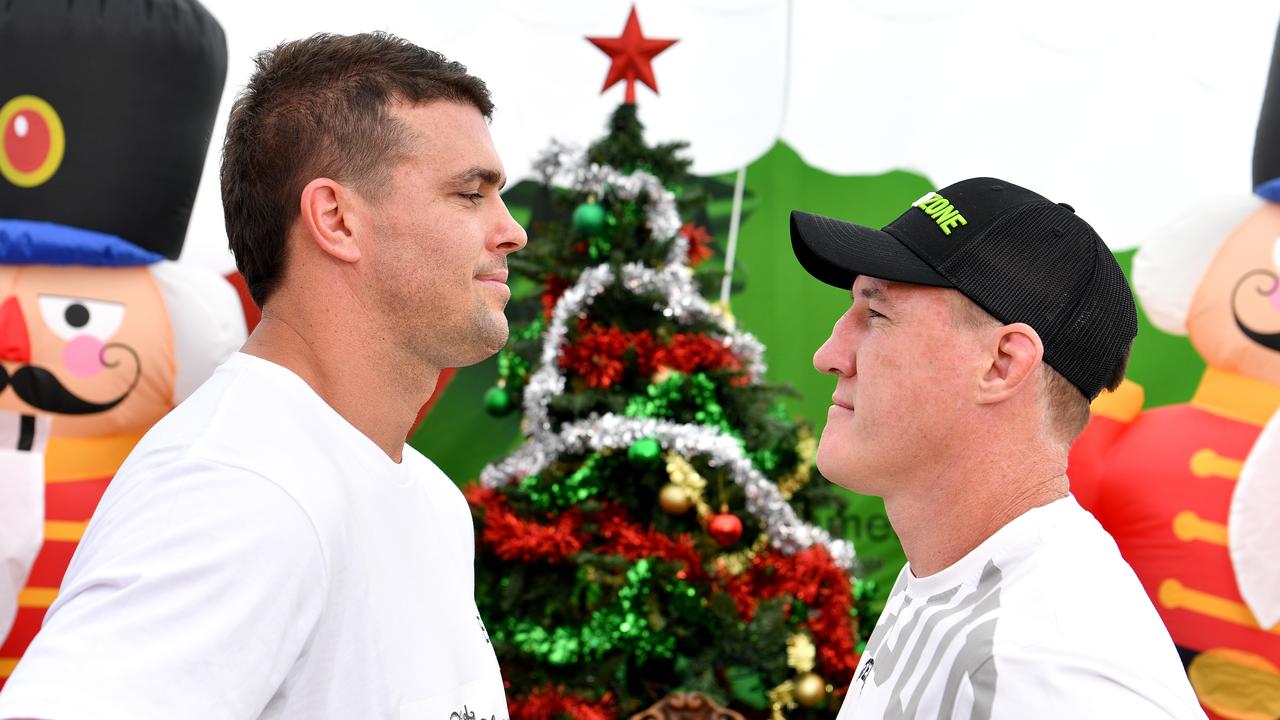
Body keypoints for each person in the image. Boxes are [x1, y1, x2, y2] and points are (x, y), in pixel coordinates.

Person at [0, 32, 526, 719]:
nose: (511, 230)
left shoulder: (426, 497)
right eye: (469, 194)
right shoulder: (238, 488)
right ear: (336, 219)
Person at [790, 178, 1206, 719]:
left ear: (1002, 364)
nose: (828, 355)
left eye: (877, 315)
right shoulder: (958, 571)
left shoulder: (1055, 671)